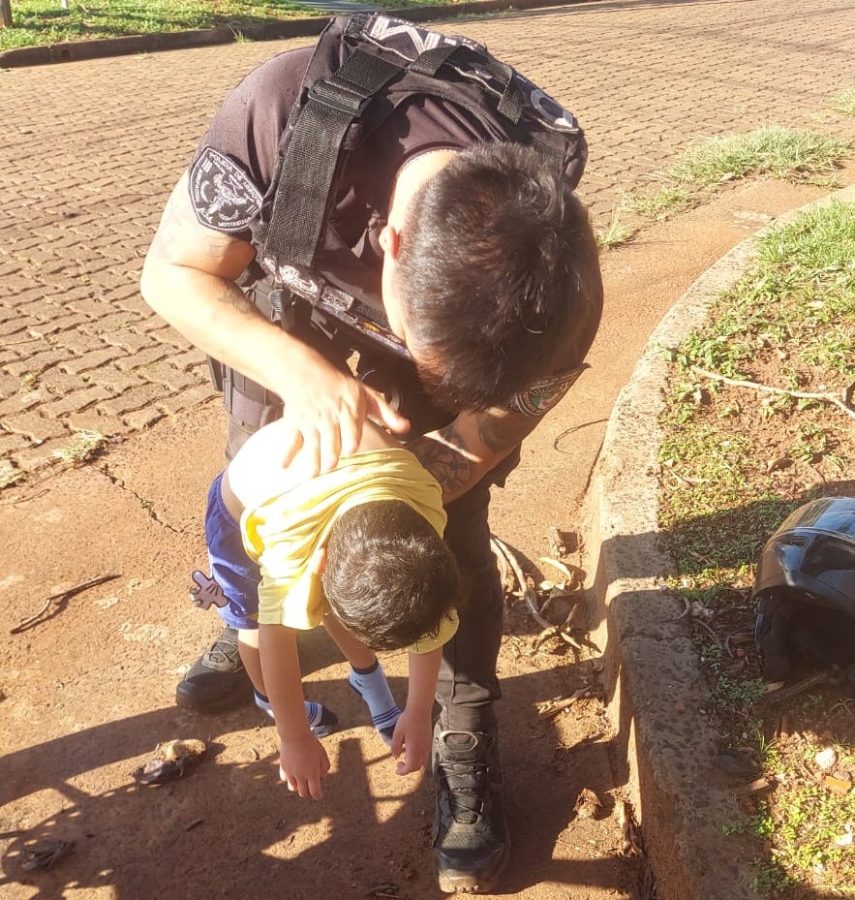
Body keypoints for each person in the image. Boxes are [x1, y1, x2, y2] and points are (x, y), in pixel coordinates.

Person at [141, 12, 603, 893]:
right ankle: (255, 622)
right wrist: (304, 377)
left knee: (447, 538)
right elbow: (172, 271)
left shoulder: (547, 210)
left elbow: (539, 382)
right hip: (284, 326)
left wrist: (447, 463)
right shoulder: (280, 115)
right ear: (388, 241)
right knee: (268, 492)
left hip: (443, 368)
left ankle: (464, 734)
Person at [197, 415, 459, 799]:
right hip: (240, 512)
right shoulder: (290, 551)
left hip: (326, 484)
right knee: (250, 625)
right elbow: (275, 639)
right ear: (318, 566)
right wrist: (294, 736)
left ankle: (367, 680)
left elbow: (430, 625)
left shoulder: (422, 510)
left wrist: (419, 711)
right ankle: (267, 698)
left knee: (354, 598)